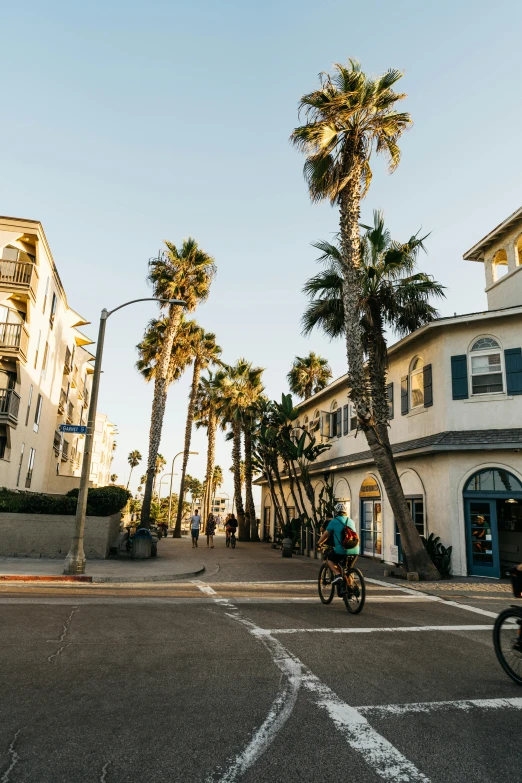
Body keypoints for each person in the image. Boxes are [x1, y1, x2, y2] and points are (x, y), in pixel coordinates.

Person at [317, 502, 360, 593]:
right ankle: (349, 588)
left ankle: (337, 575)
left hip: (341, 549)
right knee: (349, 569)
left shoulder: (334, 521)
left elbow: (326, 534)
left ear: (336, 512)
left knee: (330, 560)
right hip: (355, 549)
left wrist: (319, 543)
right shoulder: (351, 521)